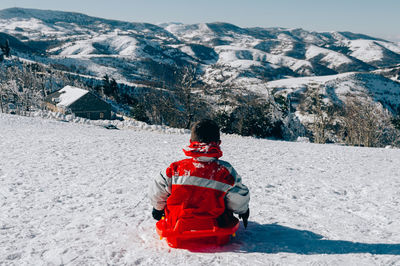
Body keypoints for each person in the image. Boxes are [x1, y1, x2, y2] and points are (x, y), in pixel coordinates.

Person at [149, 119, 250, 230]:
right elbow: (238, 196)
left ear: (191, 142)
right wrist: (243, 210)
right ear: (218, 143)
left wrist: (158, 208)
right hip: (215, 226)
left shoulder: (175, 169)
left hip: (177, 225)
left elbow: (158, 189)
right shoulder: (226, 171)